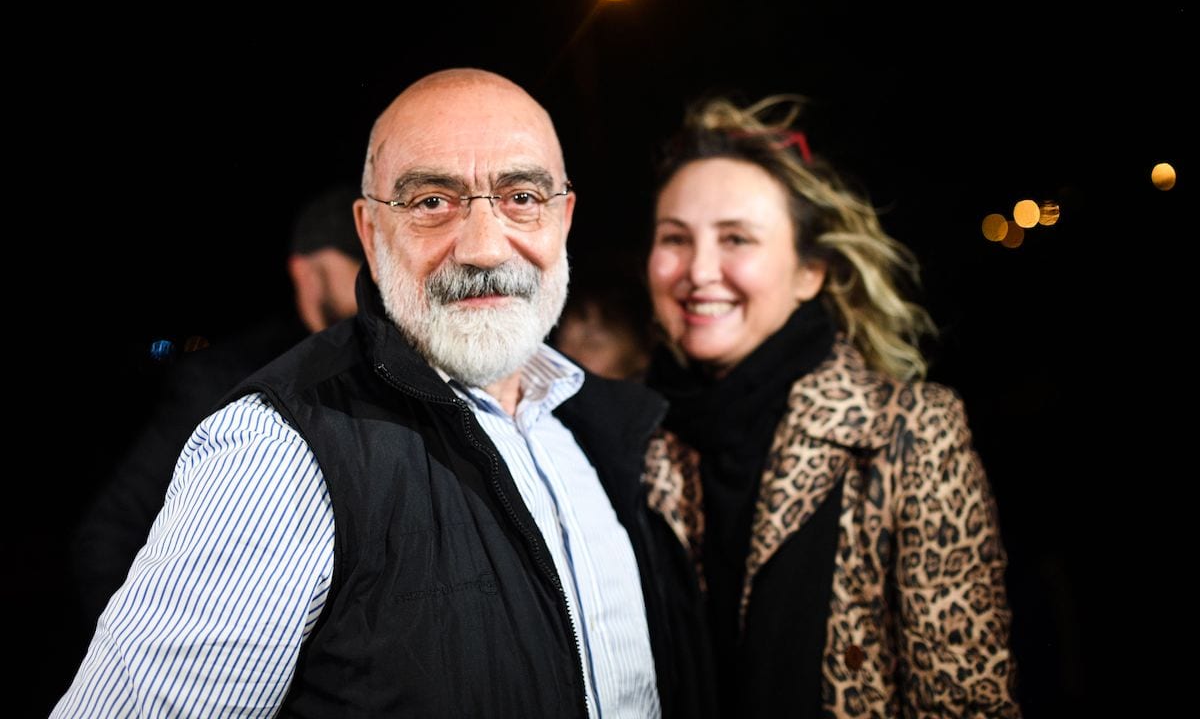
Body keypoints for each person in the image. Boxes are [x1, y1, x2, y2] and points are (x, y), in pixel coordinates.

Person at [54, 69, 709, 718]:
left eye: (520, 197)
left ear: (562, 216)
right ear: (370, 233)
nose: (484, 247)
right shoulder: (280, 451)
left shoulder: (599, 431)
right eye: (431, 202)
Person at [641, 94, 1020, 717]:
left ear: (808, 272)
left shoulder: (908, 431)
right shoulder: (636, 436)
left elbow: (965, 701)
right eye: (674, 239)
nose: (699, 271)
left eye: (737, 238)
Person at [68, 185, 363, 623]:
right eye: (354, 260)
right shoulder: (229, 377)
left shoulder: (402, 365)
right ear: (303, 271)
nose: (368, 281)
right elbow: (111, 535)